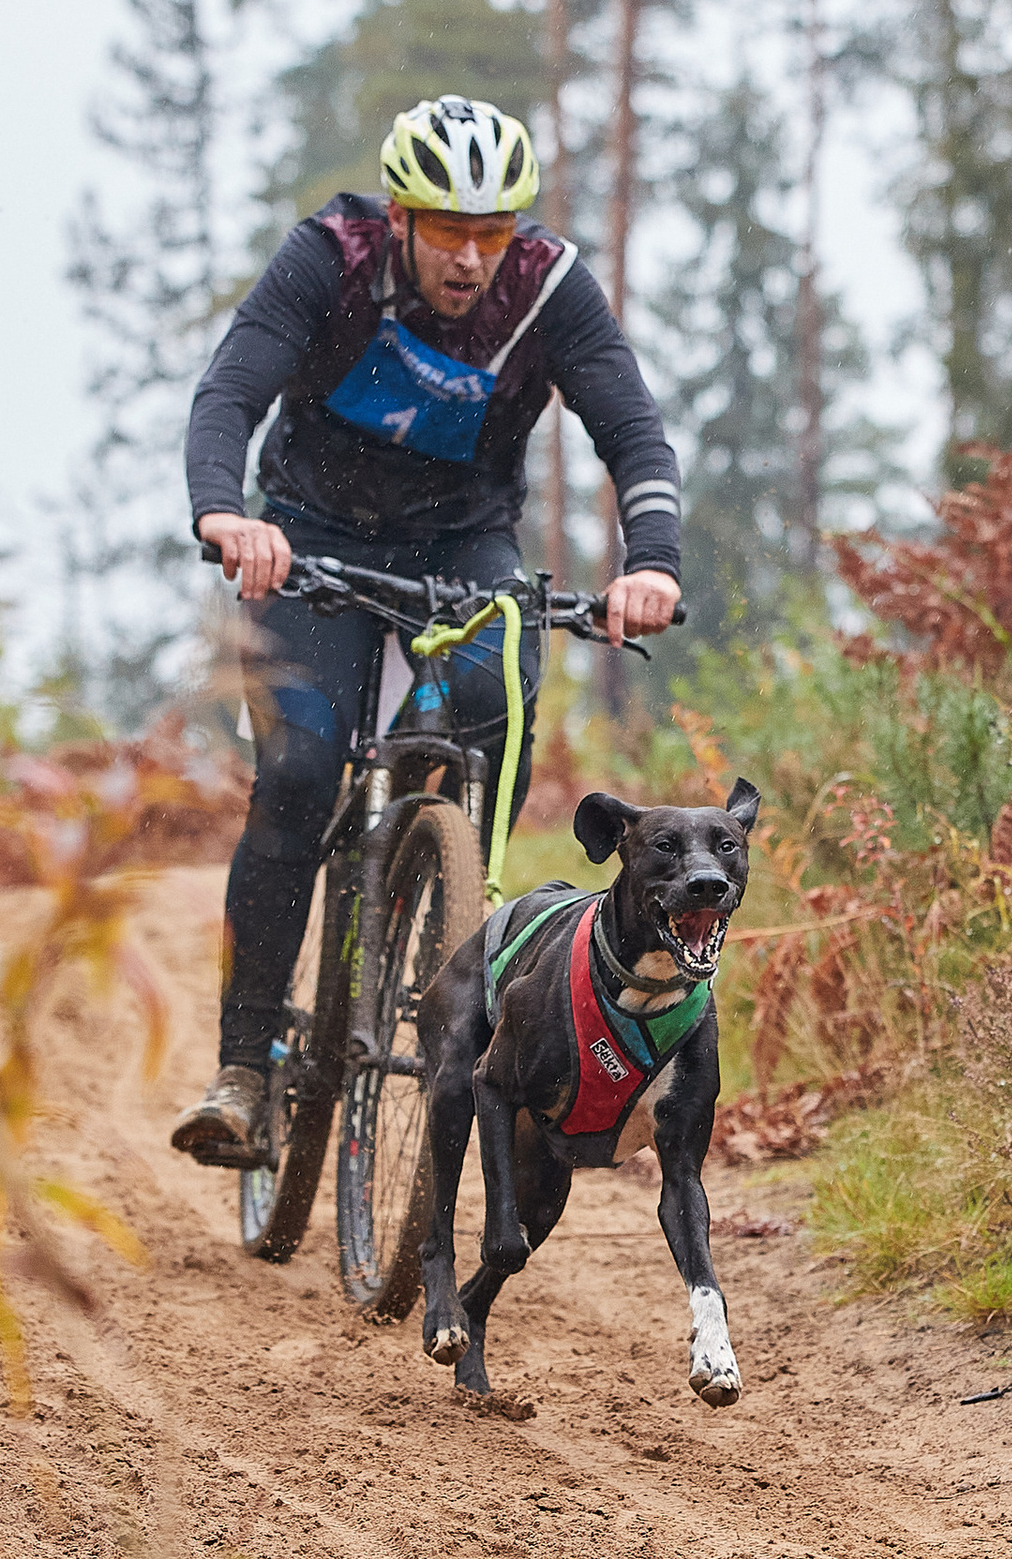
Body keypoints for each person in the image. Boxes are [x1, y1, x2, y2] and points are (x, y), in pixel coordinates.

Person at [170, 92, 685, 1166]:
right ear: (400, 217)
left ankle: (462, 903)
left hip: (460, 545)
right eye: (447, 230)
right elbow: (229, 393)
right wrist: (226, 513)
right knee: (302, 773)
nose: (469, 257)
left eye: (490, 233)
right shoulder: (331, 257)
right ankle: (244, 1067)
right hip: (306, 539)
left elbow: (633, 431)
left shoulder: (548, 287)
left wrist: (651, 564)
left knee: (501, 682)